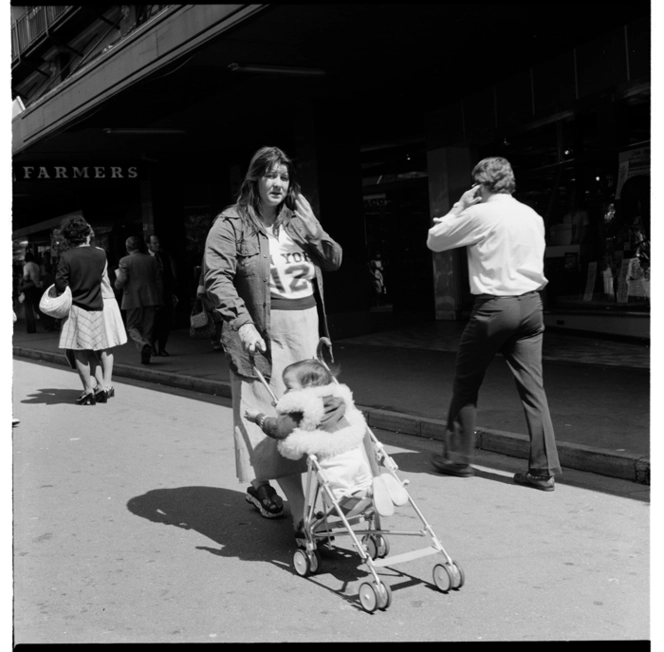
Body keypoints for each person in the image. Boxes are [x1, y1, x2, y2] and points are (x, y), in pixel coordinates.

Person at [203, 145, 342, 535]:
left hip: (306, 335)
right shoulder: (231, 224)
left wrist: (313, 221)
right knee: (275, 424)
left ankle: (319, 503)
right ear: (255, 179)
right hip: (261, 339)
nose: (278, 183)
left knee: (314, 422)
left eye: (284, 177)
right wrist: (243, 324)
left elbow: (333, 260)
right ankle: (301, 516)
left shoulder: (298, 221)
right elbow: (216, 278)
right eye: (271, 175)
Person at [426, 156, 562, 491]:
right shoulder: (532, 215)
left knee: (467, 380)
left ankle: (457, 458)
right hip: (531, 306)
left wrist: (458, 207)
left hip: (494, 307)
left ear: (482, 184)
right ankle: (542, 470)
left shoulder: (480, 213)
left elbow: (436, 240)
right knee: (534, 390)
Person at [245, 359, 373, 548]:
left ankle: (344, 505)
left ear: (307, 387)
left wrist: (259, 417)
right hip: (352, 452)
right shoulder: (336, 399)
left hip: (331, 459)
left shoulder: (300, 408)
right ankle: (367, 492)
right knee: (357, 474)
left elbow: (279, 429)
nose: (286, 391)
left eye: (289, 387)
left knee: (337, 483)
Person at [53, 215, 109, 405]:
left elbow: (60, 283)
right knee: (93, 351)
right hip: (97, 308)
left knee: (80, 352)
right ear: (86, 234)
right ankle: (101, 387)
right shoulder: (101, 254)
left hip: (77, 308)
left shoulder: (67, 257)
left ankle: (88, 391)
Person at [115, 236, 163, 365]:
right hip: (151, 297)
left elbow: (122, 279)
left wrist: (116, 286)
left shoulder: (125, 260)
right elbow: (158, 280)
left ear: (128, 247)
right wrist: (159, 297)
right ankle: (146, 349)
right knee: (148, 326)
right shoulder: (151, 260)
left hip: (132, 298)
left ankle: (143, 345)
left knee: (132, 326)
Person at [147, 234, 178, 356]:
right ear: (148, 245)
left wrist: (173, 292)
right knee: (155, 322)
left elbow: (170, 275)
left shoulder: (164, 257)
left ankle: (162, 347)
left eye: (158, 243)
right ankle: (152, 345)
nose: (157, 245)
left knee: (166, 322)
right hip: (152, 295)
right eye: (154, 243)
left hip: (166, 293)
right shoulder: (146, 258)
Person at [20, 251, 43, 333]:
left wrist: (22, 280)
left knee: (28, 309)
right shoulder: (37, 266)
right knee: (38, 308)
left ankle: (31, 328)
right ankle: (48, 323)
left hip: (30, 289)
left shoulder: (26, 266)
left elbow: (26, 277)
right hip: (38, 288)